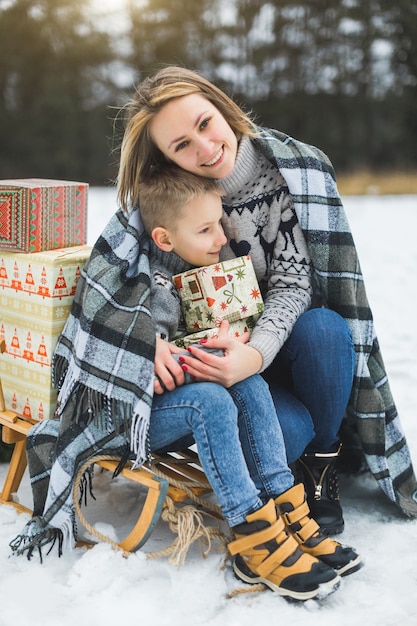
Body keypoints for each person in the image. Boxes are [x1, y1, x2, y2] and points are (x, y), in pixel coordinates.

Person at [9, 157, 363, 603]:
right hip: (132, 419)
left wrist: (220, 346)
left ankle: (287, 513)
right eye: (207, 229)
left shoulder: (196, 272)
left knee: (247, 385)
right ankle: (251, 535)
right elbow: (116, 338)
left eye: (218, 224)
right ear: (164, 237)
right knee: (211, 403)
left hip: (180, 397)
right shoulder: (141, 277)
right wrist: (147, 348)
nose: (223, 237)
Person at [116, 65, 417, 532]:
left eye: (204, 123)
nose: (205, 147)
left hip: (280, 345)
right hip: (226, 369)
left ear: (221, 108)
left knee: (327, 329)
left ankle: (322, 465)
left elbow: (293, 285)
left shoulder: (288, 176)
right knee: (289, 432)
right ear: (165, 156)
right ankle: (290, 450)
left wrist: (255, 354)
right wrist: (150, 339)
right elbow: (143, 280)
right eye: (181, 145)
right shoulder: (172, 197)